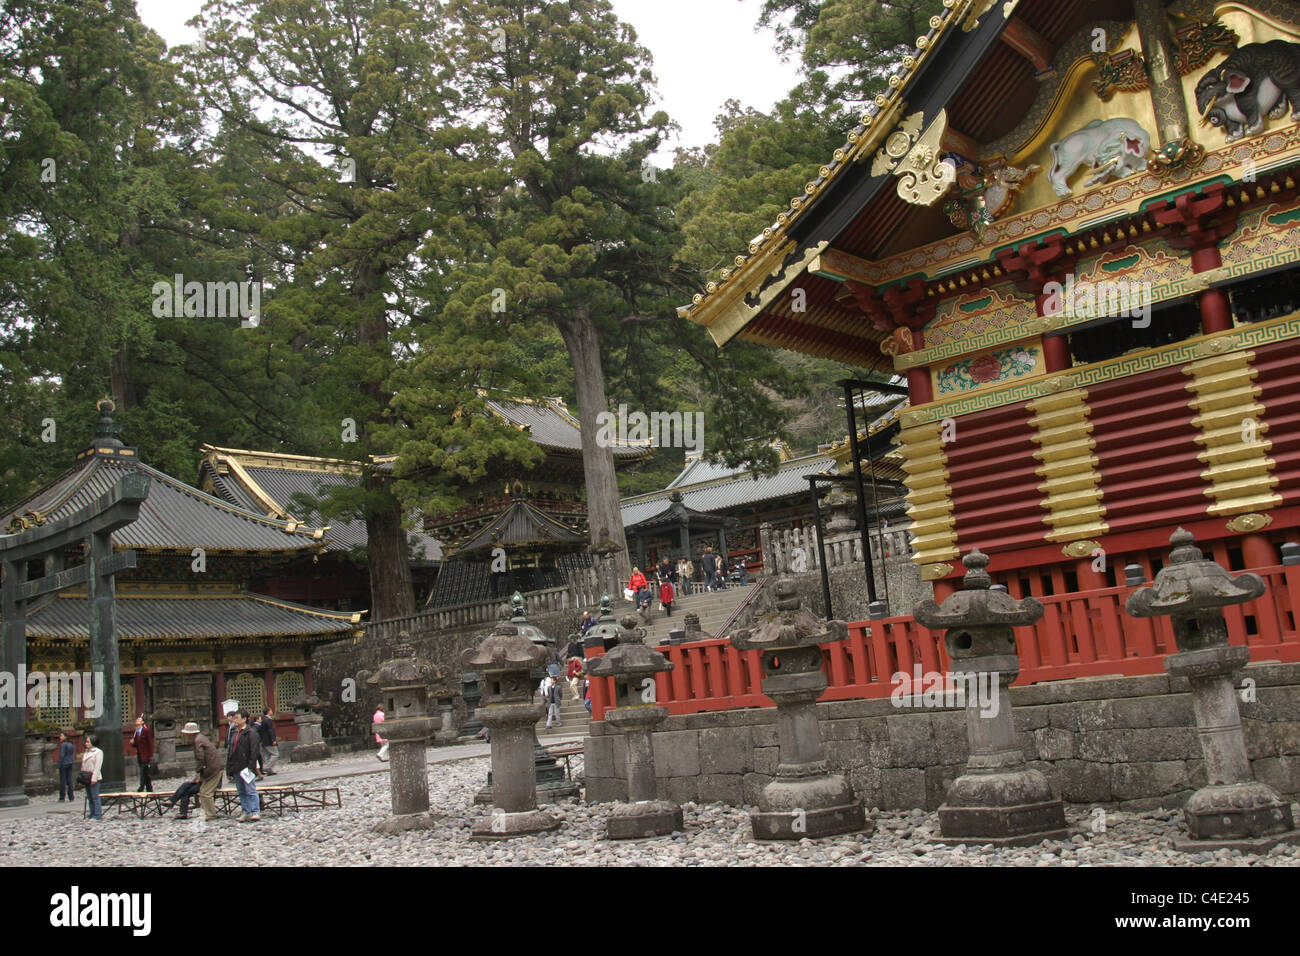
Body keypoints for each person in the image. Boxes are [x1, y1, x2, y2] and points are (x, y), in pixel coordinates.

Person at [176, 721, 223, 821]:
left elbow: (200, 758)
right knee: (203, 791)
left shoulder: (197, 740)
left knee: (205, 792)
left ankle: (211, 814)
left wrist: (198, 772)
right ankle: (209, 813)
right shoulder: (201, 738)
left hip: (213, 769)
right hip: (213, 768)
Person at [226, 709, 261, 822]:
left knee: (250, 789)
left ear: (244, 719)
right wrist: (229, 768)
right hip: (236, 764)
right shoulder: (234, 732)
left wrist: (251, 766)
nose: (235, 720)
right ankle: (246, 811)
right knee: (241, 791)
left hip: (246, 765)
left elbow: (254, 750)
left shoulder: (251, 732)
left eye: (237, 718)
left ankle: (255, 811)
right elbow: (230, 750)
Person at [81, 734, 104, 821]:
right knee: (90, 797)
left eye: (88, 742)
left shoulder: (98, 752)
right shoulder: (87, 752)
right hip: (86, 776)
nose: (86, 743)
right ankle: (92, 813)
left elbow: (97, 766)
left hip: (94, 777)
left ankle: (97, 815)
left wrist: (94, 778)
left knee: (95, 797)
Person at [130, 714, 154, 793]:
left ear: (142, 722)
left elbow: (150, 743)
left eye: (139, 720)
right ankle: (149, 788)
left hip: (146, 755)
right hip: (140, 755)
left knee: (143, 771)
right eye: (137, 720)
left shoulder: (146, 731)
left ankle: (141, 787)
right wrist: (132, 743)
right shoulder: (137, 732)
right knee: (146, 773)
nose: (137, 721)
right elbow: (136, 744)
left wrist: (151, 755)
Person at [258, 707, 279, 775]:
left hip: (264, 740)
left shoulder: (263, 720)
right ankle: (267, 767)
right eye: (271, 710)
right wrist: (273, 739)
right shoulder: (268, 720)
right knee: (275, 754)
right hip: (269, 740)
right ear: (268, 712)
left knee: (266, 755)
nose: (272, 711)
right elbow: (270, 730)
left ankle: (269, 770)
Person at [57, 732, 75, 802]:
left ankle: (62, 797)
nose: (60, 737)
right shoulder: (71, 744)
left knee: (63, 781)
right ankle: (71, 796)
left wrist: (59, 764)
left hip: (64, 763)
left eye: (61, 735)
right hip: (70, 762)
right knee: (69, 780)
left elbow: (62, 755)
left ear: (65, 737)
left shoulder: (63, 745)